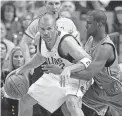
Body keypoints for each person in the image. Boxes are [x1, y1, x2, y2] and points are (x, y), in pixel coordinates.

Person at [7, 13, 92, 116]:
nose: (46, 32)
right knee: (25, 101)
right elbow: (41, 56)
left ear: (56, 28)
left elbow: (88, 60)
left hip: (76, 76)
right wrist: (23, 68)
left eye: (49, 29)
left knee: (71, 103)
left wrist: (69, 69)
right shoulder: (40, 38)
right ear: (38, 28)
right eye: (42, 29)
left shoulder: (66, 42)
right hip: (56, 75)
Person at [65, 9, 122, 116]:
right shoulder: (91, 39)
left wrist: (64, 72)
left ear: (99, 24)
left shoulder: (105, 47)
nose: (85, 25)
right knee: (72, 101)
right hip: (98, 89)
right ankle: (106, 109)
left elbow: (87, 74)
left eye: (89, 23)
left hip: (115, 90)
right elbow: (84, 62)